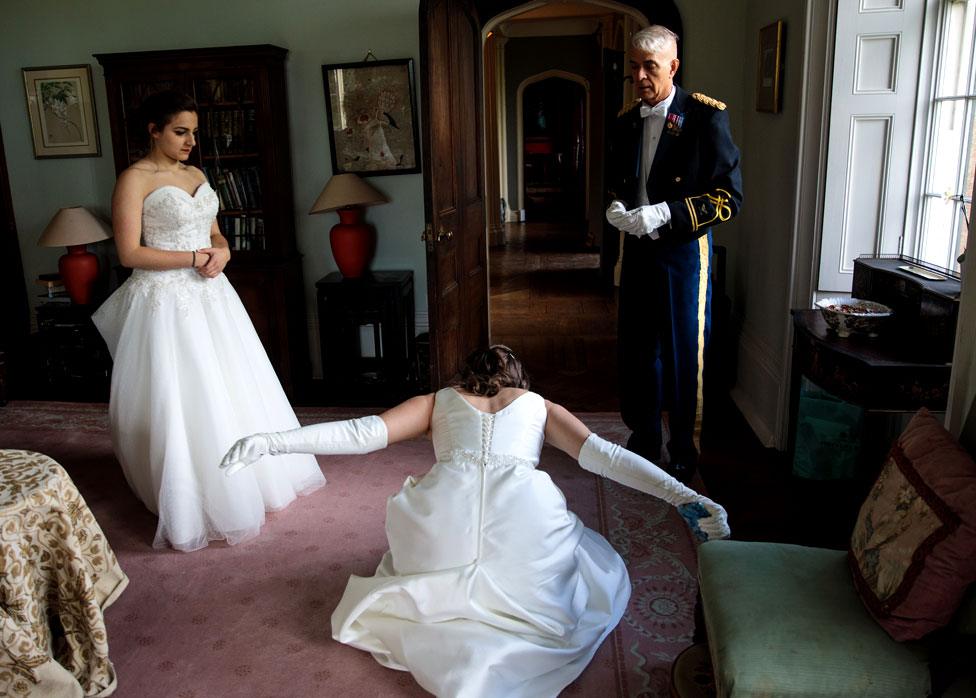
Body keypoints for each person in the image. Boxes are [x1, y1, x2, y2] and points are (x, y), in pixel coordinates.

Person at [220, 345, 729, 697]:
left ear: (466, 378)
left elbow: (361, 433)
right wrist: (678, 492)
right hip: (524, 524)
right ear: (517, 380)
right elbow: (606, 457)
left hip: (440, 523)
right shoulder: (537, 405)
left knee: (424, 531)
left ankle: (446, 583)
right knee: (580, 550)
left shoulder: (437, 401)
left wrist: (274, 441)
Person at [91, 90, 324, 552]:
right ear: (153, 130)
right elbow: (129, 253)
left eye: (194, 133)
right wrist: (194, 256)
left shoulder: (196, 174)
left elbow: (213, 228)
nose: (190, 141)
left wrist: (222, 249)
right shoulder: (134, 179)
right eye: (180, 131)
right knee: (181, 393)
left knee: (233, 383)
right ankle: (188, 487)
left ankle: (250, 475)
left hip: (211, 293)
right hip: (165, 300)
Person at [605, 25, 743, 484]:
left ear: (673, 66)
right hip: (639, 252)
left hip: (683, 256)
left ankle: (684, 449)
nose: (640, 75)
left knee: (686, 353)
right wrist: (619, 207)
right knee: (639, 350)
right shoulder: (627, 120)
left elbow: (728, 198)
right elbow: (623, 181)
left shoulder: (704, 119)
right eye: (634, 66)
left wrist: (665, 213)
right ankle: (644, 438)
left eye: (650, 66)